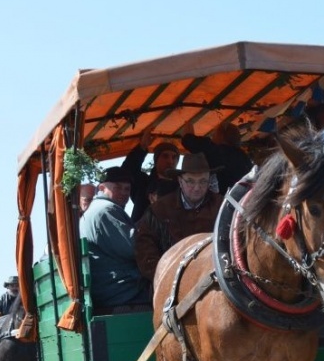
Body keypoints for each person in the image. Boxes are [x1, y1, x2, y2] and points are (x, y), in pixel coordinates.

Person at [135, 153, 224, 282]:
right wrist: (167, 279)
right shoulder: (159, 210)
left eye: (203, 181)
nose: (197, 187)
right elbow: (145, 250)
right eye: (190, 181)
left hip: (214, 283)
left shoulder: (222, 207)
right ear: (180, 181)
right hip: (171, 286)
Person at [79, 166, 149, 307]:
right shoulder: (106, 210)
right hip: (121, 289)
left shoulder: (99, 209)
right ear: (102, 188)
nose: (123, 193)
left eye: (127, 189)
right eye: (117, 188)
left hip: (112, 286)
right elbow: (136, 248)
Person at [121, 128, 180, 223]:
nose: (170, 161)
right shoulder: (143, 183)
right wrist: (142, 148)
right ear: (156, 160)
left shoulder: (183, 186)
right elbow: (126, 171)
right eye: (165, 156)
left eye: (174, 157)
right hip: (142, 235)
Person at [181, 121, 252, 195]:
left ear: (221, 135)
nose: (212, 136)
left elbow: (187, 139)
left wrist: (188, 122)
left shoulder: (214, 150)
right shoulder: (244, 157)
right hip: (241, 200)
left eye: (214, 133)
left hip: (219, 200)